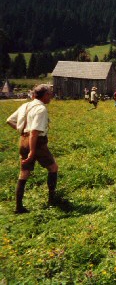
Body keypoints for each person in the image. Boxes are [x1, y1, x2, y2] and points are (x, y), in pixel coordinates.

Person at [6, 84, 59, 214]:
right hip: (37, 143)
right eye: (50, 94)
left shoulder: (26, 106)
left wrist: (22, 131)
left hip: (23, 141)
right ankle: (52, 200)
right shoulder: (41, 109)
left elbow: (9, 120)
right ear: (45, 95)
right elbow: (35, 132)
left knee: (24, 172)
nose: (51, 96)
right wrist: (32, 151)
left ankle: (18, 207)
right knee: (53, 168)